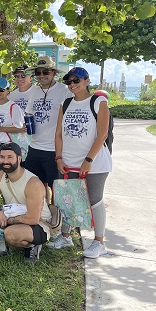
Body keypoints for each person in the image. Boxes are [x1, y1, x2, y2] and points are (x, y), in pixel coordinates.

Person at [51, 67, 112, 258]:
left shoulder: (98, 102)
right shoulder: (65, 104)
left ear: (87, 80)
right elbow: (59, 134)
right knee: (67, 199)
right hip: (68, 161)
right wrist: (59, 157)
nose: (72, 85)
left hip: (94, 163)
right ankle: (65, 235)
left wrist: (88, 159)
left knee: (94, 199)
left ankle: (99, 242)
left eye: (76, 80)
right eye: (68, 81)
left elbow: (102, 134)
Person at [24, 57, 72, 195]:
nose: (41, 75)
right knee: (35, 186)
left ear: (53, 73)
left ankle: (56, 214)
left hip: (54, 149)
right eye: (38, 73)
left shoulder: (64, 91)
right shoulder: (34, 91)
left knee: (56, 187)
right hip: (34, 146)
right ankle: (41, 214)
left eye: (45, 72)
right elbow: (29, 113)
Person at [0, 77, 25, 173]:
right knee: (0, 176)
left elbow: (21, 128)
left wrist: (1, 128)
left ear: (8, 91)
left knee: (11, 175)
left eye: (1, 90)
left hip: (9, 146)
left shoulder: (13, 107)